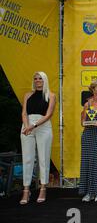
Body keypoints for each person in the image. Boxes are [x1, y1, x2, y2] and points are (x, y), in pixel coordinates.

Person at [20, 72, 56, 205]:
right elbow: (24, 112)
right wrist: (27, 125)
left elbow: (49, 114)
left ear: (45, 80)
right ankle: (26, 189)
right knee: (27, 158)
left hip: (43, 126)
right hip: (27, 126)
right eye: (35, 78)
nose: (37, 80)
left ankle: (43, 188)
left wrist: (33, 125)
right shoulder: (28, 95)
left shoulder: (51, 95)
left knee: (43, 158)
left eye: (40, 78)